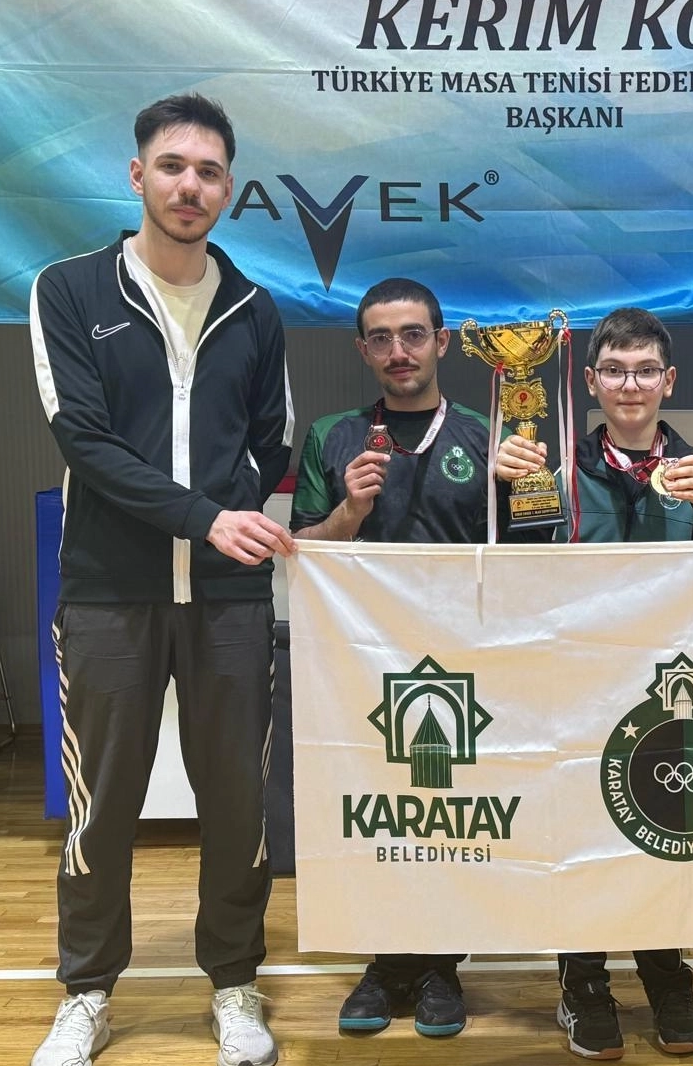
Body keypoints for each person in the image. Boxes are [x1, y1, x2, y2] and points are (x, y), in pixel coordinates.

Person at [28, 94, 294, 1066]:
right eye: (173, 167)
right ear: (138, 175)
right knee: (105, 803)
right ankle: (88, 993)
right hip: (109, 591)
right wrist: (203, 517)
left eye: (209, 171)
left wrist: (232, 521)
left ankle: (234, 984)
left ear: (229, 189)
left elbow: (273, 441)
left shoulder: (254, 309)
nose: (191, 186)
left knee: (236, 805)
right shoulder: (69, 290)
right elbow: (85, 441)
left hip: (228, 601)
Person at [494, 306, 693, 1060]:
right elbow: (513, 573)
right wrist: (505, 495)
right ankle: (581, 982)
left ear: (669, 381)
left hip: (668, 696)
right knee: (577, 835)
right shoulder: (554, 468)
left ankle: (668, 977)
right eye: (614, 370)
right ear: (590, 381)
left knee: (661, 835)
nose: (630, 385)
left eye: (645, 371)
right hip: (575, 691)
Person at [290, 277, 490, 1037]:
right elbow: (301, 551)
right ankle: (385, 963)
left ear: (442, 342)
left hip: (466, 661)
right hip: (362, 665)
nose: (398, 351)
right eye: (381, 337)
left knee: (452, 817)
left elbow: (529, 552)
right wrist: (351, 510)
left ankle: (440, 964)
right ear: (362, 349)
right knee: (378, 816)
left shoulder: (487, 433)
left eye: (413, 334)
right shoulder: (333, 436)